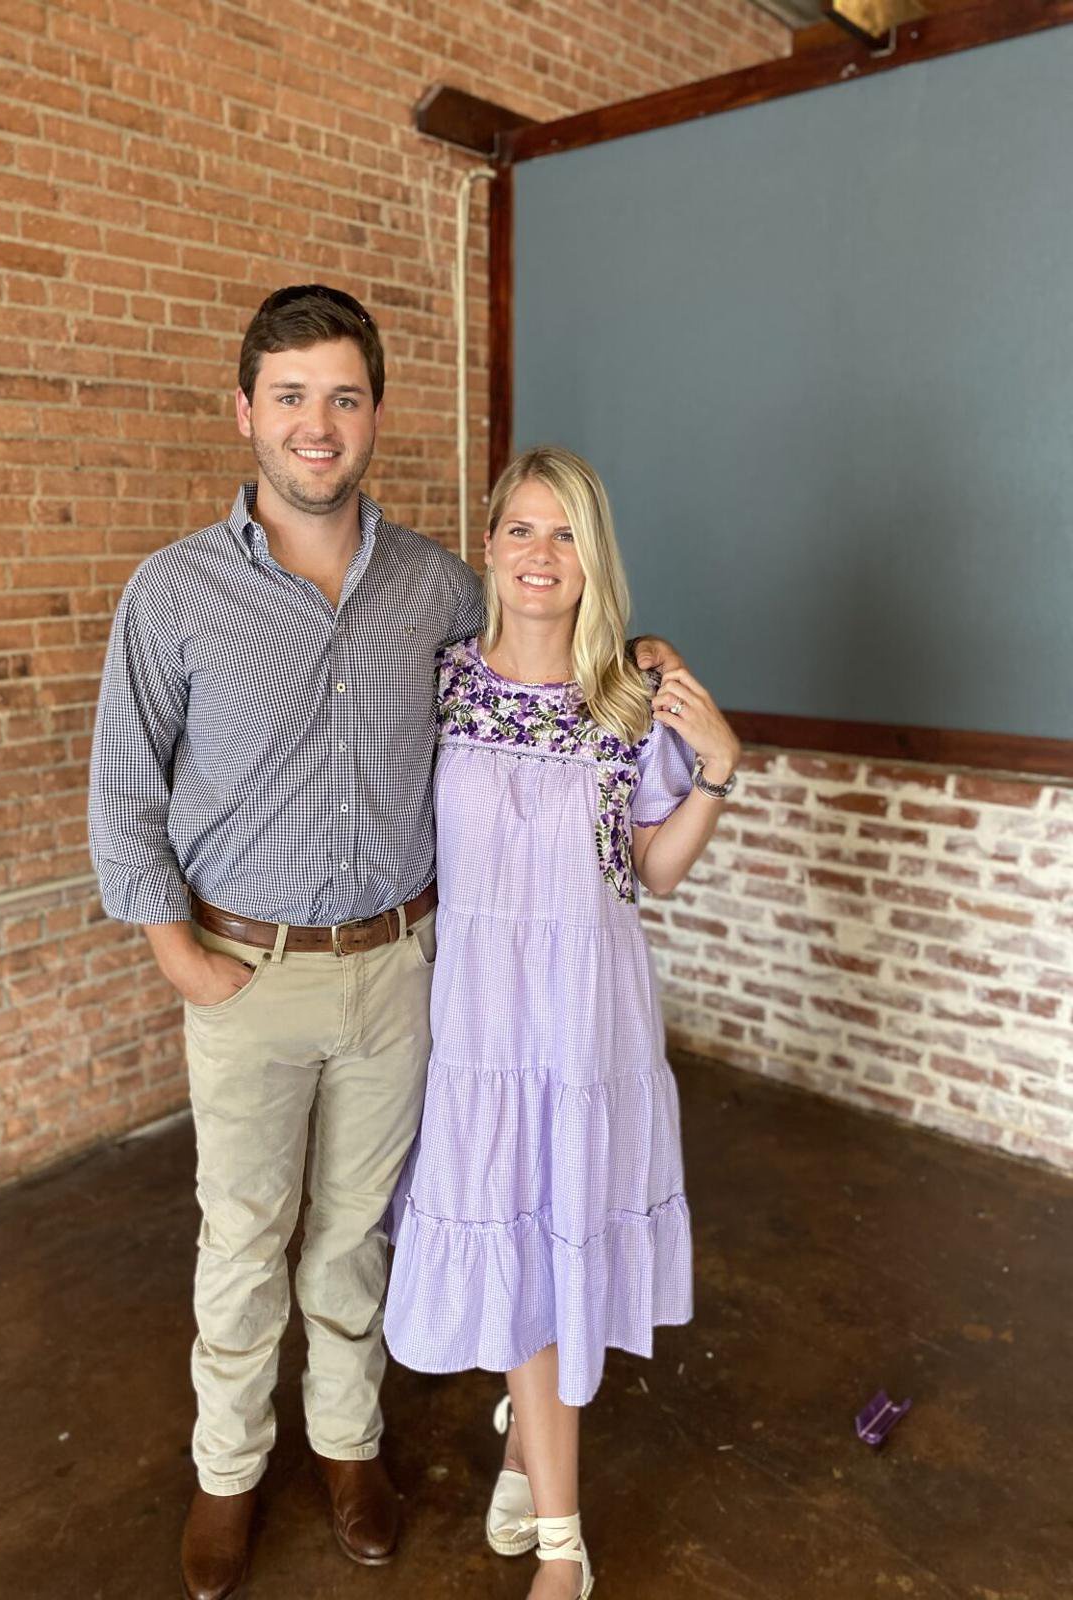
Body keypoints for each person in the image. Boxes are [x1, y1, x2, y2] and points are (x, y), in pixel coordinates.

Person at [88, 288, 683, 1600]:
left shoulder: (436, 589)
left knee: (358, 1232)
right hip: (246, 970)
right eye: (291, 396)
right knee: (244, 1235)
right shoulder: (173, 592)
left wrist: (637, 666)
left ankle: (348, 1446)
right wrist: (179, 955)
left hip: (406, 968)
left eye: (344, 397)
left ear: (374, 418)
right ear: (245, 412)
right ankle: (229, 1470)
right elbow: (125, 788)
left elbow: (539, 661)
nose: (318, 423)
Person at [384, 445, 742, 1599]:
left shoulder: (629, 704)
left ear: (595, 558)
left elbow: (651, 871)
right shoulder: (439, 683)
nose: (542, 554)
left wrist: (717, 772)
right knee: (513, 1239)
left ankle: (560, 1547)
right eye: (523, 529)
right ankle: (530, 1462)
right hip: (479, 1023)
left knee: (552, 1245)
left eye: (567, 533)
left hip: (587, 1020)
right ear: (487, 544)